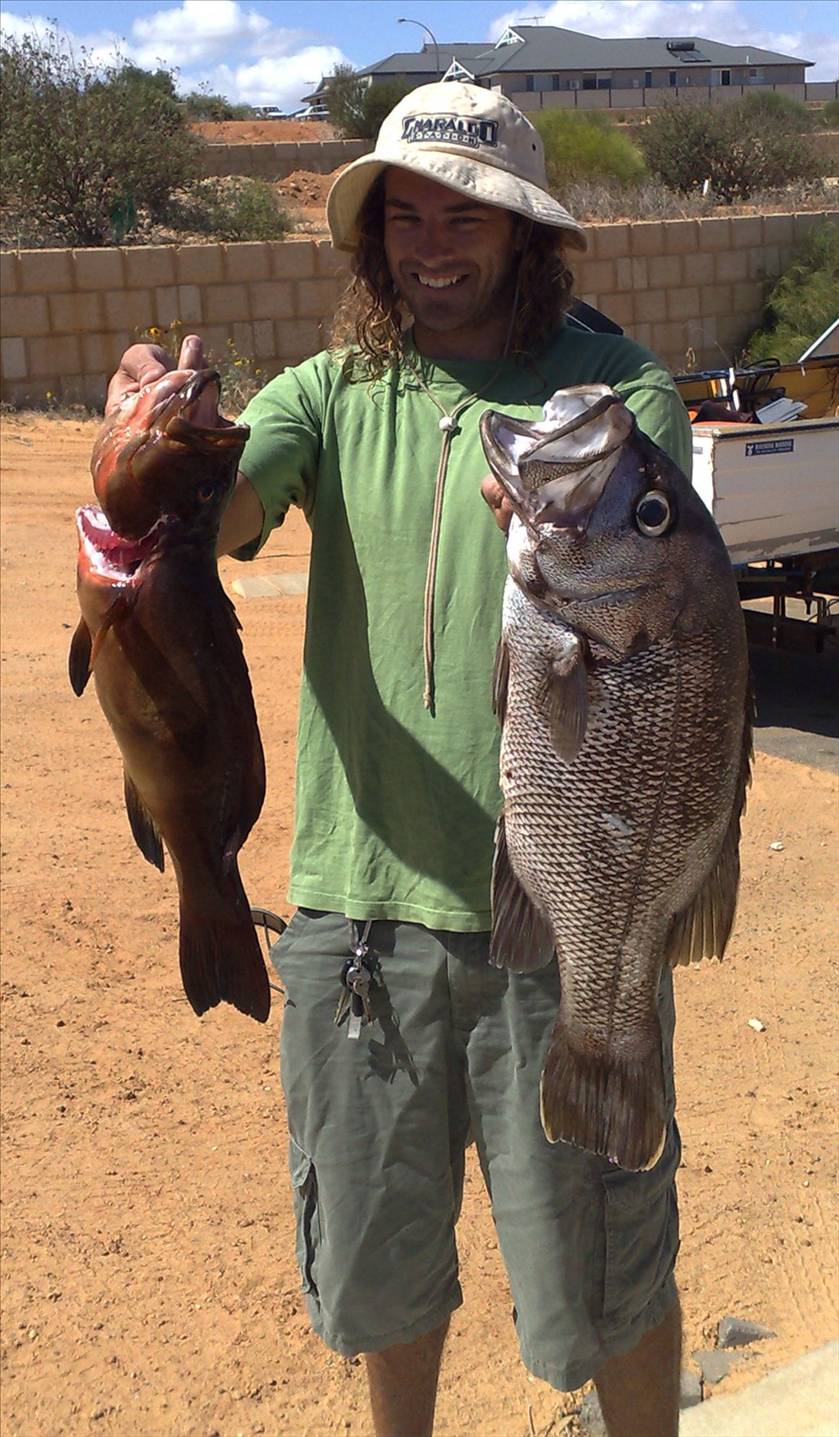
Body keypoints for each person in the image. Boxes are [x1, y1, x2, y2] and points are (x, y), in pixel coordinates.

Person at [107, 83, 691, 1437]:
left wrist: (579, 514)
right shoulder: (331, 391)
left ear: (524, 233)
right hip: (359, 920)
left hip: (567, 923)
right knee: (381, 1270)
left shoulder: (613, 396)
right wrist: (154, 452)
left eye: (464, 218)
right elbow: (217, 516)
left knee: (607, 1276)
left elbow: (664, 601)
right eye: (405, 218)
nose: (431, 246)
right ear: (373, 239)